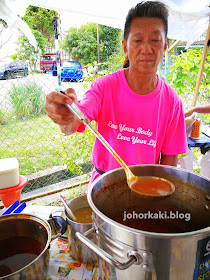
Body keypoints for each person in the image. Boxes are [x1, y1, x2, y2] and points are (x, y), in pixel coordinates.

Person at [45, 1, 188, 186]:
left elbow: (169, 164)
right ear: (125, 47)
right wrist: (65, 114)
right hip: (104, 187)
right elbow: (73, 124)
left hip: (147, 189)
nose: (146, 49)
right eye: (137, 40)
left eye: (155, 40)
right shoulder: (104, 87)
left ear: (165, 45)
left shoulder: (173, 102)